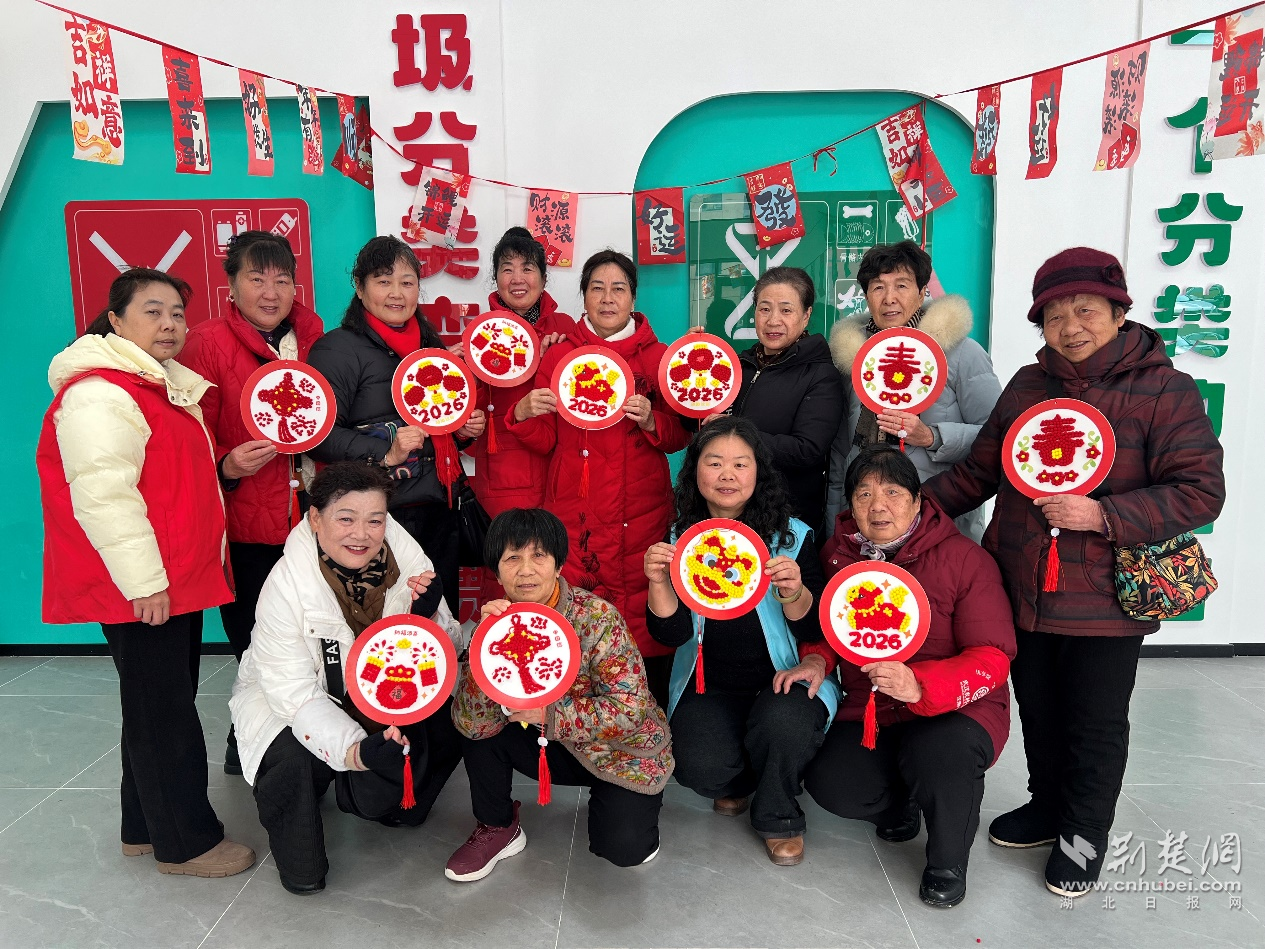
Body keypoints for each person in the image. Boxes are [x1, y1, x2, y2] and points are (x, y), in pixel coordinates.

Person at [921, 247, 1226, 897]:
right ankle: (1046, 806)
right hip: (1021, 584)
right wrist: (903, 514)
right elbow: (977, 473)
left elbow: (1200, 491)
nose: (1069, 327)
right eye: (1054, 316)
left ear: (1118, 312)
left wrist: (1102, 514)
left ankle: (1083, 835)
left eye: (1085, 310)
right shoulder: (1028, 386)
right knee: (1038, 707)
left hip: (1106, 597)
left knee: (1094, 721)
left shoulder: (1164, 389)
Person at [36, 267, 256, 878]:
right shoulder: (100, 393)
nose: (169, 324)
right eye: (152, 311)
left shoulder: (155, 387)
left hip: (169, 579)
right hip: (142, 586)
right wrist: (144, 583)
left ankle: (143, 826)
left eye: (177, 314)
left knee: (155, 703)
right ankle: (184, 843)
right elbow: (104, 496)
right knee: (165, 714)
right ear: (116, 320)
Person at [230, 462, 464, 895]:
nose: (361, 534)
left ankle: (394, 803)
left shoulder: (409, 561)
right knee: (290, 757)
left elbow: (444, 655)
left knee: (455, 715)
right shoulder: (285, 585)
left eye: (375, 520)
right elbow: (293, 693)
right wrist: (355, 750)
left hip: (379, 688)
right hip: (300, 695)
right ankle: (302, 864)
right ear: (315, 519)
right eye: (345, 519)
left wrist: (428, 616)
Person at [803, 447, 1016, 907]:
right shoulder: (838, 555)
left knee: (940, 754)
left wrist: (920, 685)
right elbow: (830, 631)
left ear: (919, 501)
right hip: (871, 707)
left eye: (893, 493)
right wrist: (818, 659)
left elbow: (993, 655)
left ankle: (947, 861)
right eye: (863, 494)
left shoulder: (965, 559)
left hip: (956, 709)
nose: (878, 506)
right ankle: (899, 806)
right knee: (834, 783)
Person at [644, 416, 839, 866]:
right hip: (708, 682)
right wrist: (658, 583)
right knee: (699, 766)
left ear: (759, 472)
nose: (727, 475)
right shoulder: (680, 540)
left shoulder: (793, 536)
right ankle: (740, 781)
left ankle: (779, 813)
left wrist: (795, 591)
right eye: (714, 463)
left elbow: (813, 630)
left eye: (740, 464)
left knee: (784, 722)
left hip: (783, 677)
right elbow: (671, 634)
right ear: (695, 471)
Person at [446, 508, 673, 881]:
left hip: (617, 748)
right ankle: (498, 826)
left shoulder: (597, 618)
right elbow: (472, 724)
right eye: (512, 558)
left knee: (624, 848)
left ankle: (626, 809)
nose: (526, 570)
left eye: (538, 556)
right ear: (496, 571)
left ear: (559, 564)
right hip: (545, 745)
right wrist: (481, 648)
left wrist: (550, 715)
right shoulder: (494, 624)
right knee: (482, 734)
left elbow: (629, 709)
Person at [505, 249, 689, 703]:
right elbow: (546, 439)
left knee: (644, 615)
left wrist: (652, 420)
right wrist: (523, 413)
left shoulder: (658, 358)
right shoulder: (560, 355)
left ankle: (645, 722)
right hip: (576, 511)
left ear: (633, 298)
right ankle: (582, 723)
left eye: (618, 289)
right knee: (579, 628)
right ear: (584, 296)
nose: (608, 298)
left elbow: (680, 436)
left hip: (640, 511)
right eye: (597, 288)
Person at [179, 230, 326, 776]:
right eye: (256, 278)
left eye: (282, 279)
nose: (270, 291)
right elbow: (186, 436)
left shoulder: (316, 339)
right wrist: (225, 465)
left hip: (313, 521)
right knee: (255, 644)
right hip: (247, 525)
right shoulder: (204, 344)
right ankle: (249, 744)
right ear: (232, 285)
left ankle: (307, 745)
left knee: (312, 641)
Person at [308, 236, 486, 618]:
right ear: (360, 288)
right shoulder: (337, 349)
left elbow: (437, 429)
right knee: (386, 624)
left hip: (439, 507)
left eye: (407, 282)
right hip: (376, 516)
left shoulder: (430, 347)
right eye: (383, 281)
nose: (396, 293)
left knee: (441, 620)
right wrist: (386, 451)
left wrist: (463, 429)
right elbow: (319, 435)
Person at [826, 241, 1001, 541]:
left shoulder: (961, 353)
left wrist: (932, 436)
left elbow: (997, 435)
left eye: (902, 286)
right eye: (878, 287)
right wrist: (835, 529)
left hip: (938, 515)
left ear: (921, 293)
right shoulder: (853, 358)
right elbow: (841, 453)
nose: (889, 298)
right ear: (866, 297)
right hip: (866, 518)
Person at [465, 227, 575, 604]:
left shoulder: (565, 330)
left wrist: (560, 353)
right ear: (495, 277)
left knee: (560, 576)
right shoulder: (480, 337)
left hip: (562, 473)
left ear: (543, 278)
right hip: (504, 477)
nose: (517, 278)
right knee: (508, 578)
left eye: (527, 268)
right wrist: (467, 421)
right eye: (507, 268)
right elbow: (467, 415)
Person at [707, 266, 844, 534]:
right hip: (728, 510)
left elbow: (807, 449)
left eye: (786, 310)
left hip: (785, 517)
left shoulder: (821, 374)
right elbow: (700, 421)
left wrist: (739, 436)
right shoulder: (739, 366)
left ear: (806, 315)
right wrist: (692, 361)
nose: (773, 320)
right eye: (765, 309)